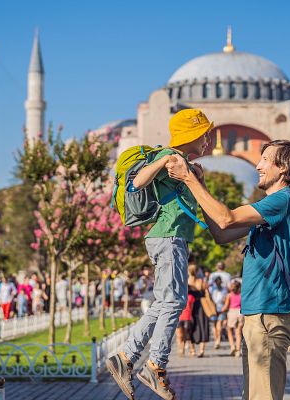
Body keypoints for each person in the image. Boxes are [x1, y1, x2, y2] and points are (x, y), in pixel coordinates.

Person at [166, 139, 290, 400]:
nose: (258, 165)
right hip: (261, 314)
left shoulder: (282, 201)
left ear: (284, 168)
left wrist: (189, 179)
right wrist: (201, 186)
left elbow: (226, 217)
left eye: (265, 160)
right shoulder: (272, 210)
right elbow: (221, 232)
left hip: (269, 313)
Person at [106, 108, 212, 400]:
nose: (208, 140)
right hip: (167, 237)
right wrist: (166, 160)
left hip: (172, 238)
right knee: (175, 300)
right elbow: (137, 182)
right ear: (191, 135)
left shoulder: (186, 164)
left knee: (165, 302)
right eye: (204, 134)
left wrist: (195, 177)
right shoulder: (168, 155)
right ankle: (156, 366)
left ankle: (125, 358)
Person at [188, 263, 210, 358]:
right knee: (203, 326)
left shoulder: (187, 282)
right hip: (202, 306)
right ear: (197, 271)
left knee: (190, 327)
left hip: (190, 306)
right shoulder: (201, 281)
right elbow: (207, 293)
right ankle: (201, 350)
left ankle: (192, 350)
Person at [224, 280, 245, 357]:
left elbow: (226, 307)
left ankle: (232, 346)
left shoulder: (229, 295)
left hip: (232, 312)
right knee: (238, 332)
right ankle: (238, 350)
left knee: (229, 330)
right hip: (240, 313)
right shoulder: (242, 295)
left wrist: (220, 311)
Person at [209, 276, 228, 349]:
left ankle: (216, 340)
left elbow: (210, 298)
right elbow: (225, 299)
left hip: (215, 307)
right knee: (218, 324)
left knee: (214, 325)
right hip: (220, 307)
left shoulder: (212, 289)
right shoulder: (224, 289)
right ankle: (217, 340)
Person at [176, 291, 195, 357]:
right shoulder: (178, 296)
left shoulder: (191, 297)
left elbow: (192, 308)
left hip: (187, 317)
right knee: (180, 335)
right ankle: (182, 349)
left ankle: (192, 349)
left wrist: (191, 316)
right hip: (179, 318)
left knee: (188, 336)